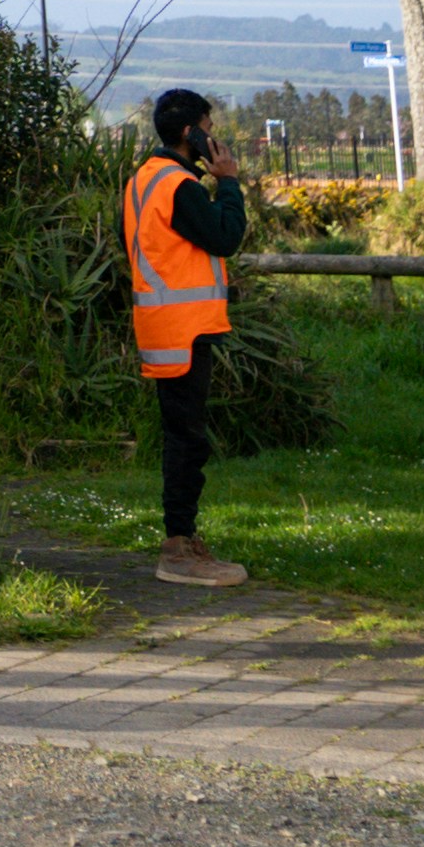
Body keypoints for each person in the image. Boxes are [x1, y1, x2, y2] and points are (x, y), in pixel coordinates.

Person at [127, 85, 250, 588]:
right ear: (189, 132)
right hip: (183, 330)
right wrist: (230, 183)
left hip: (164, 327)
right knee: (187, 440)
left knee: (184, 436)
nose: (214, 137)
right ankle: (178, 548)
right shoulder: (178, 185)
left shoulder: (143, 180)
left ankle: (182, 542)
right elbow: (225, 238)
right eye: (209, 127)